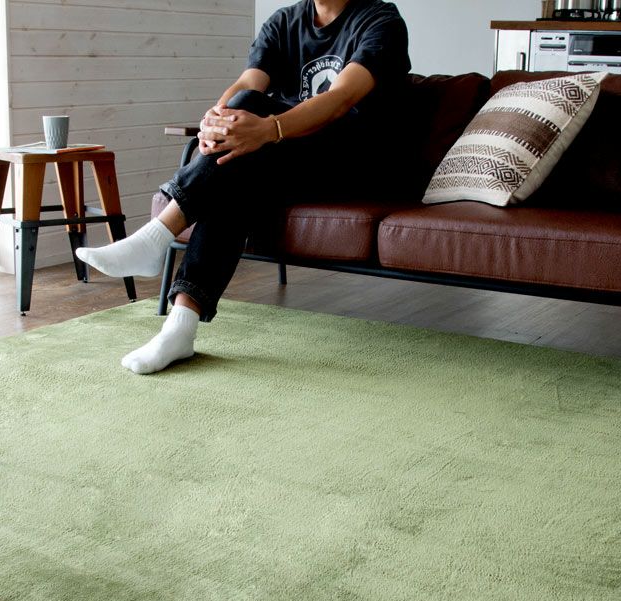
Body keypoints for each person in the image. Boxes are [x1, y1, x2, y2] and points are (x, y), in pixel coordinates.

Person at [76, 0, 410, 374]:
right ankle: (180, 325)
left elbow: (340, 98)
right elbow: (249, 84)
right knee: (237, 162)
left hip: (351, 165)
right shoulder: (284, 21)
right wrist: (215, 123)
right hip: (284, 158)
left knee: (243, 148)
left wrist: (269, 129)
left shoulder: (380, 21)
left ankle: (157, 238)